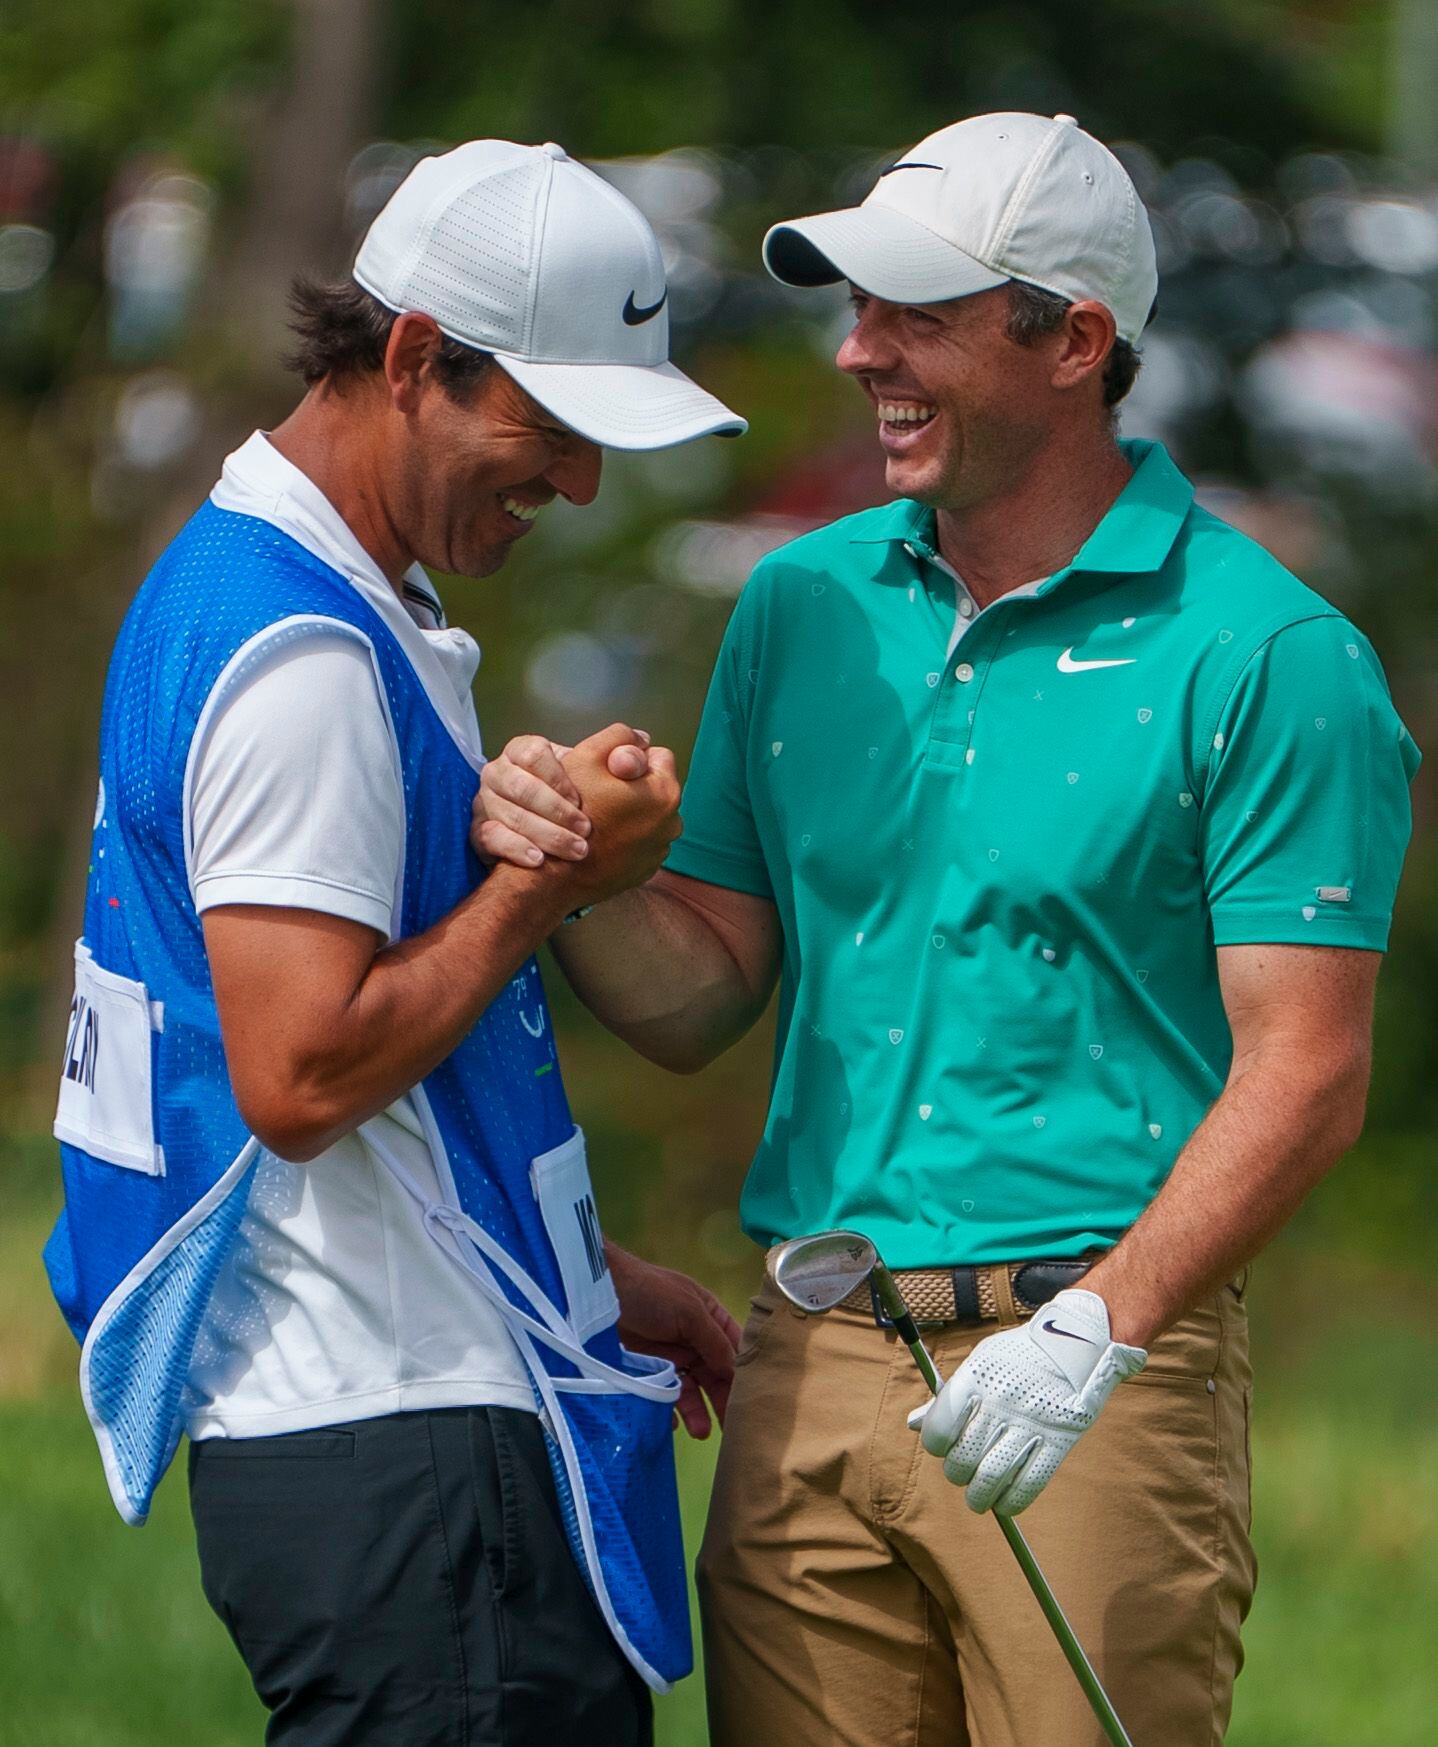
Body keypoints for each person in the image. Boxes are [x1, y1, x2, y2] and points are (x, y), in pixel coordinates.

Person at [472, 113, 1419, 1745]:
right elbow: (703, 996)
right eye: (857, 309)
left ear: (1074, 341)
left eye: (917, 313)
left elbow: (1307, 1071)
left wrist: (1096, 1337)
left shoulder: (1268, 654)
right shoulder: (803, 604)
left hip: (1093, 1376)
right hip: (807, 1362)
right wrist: (560, 877)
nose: (858, 354)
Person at [46, 138, 747, 1746]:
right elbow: (299, 1077)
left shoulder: (278, 586)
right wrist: (550, 883)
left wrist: (587, 1280)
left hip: (389, 1437)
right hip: (412, 1469)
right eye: (552, 428)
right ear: (417, 358)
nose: (577, 483)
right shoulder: (301, 648)